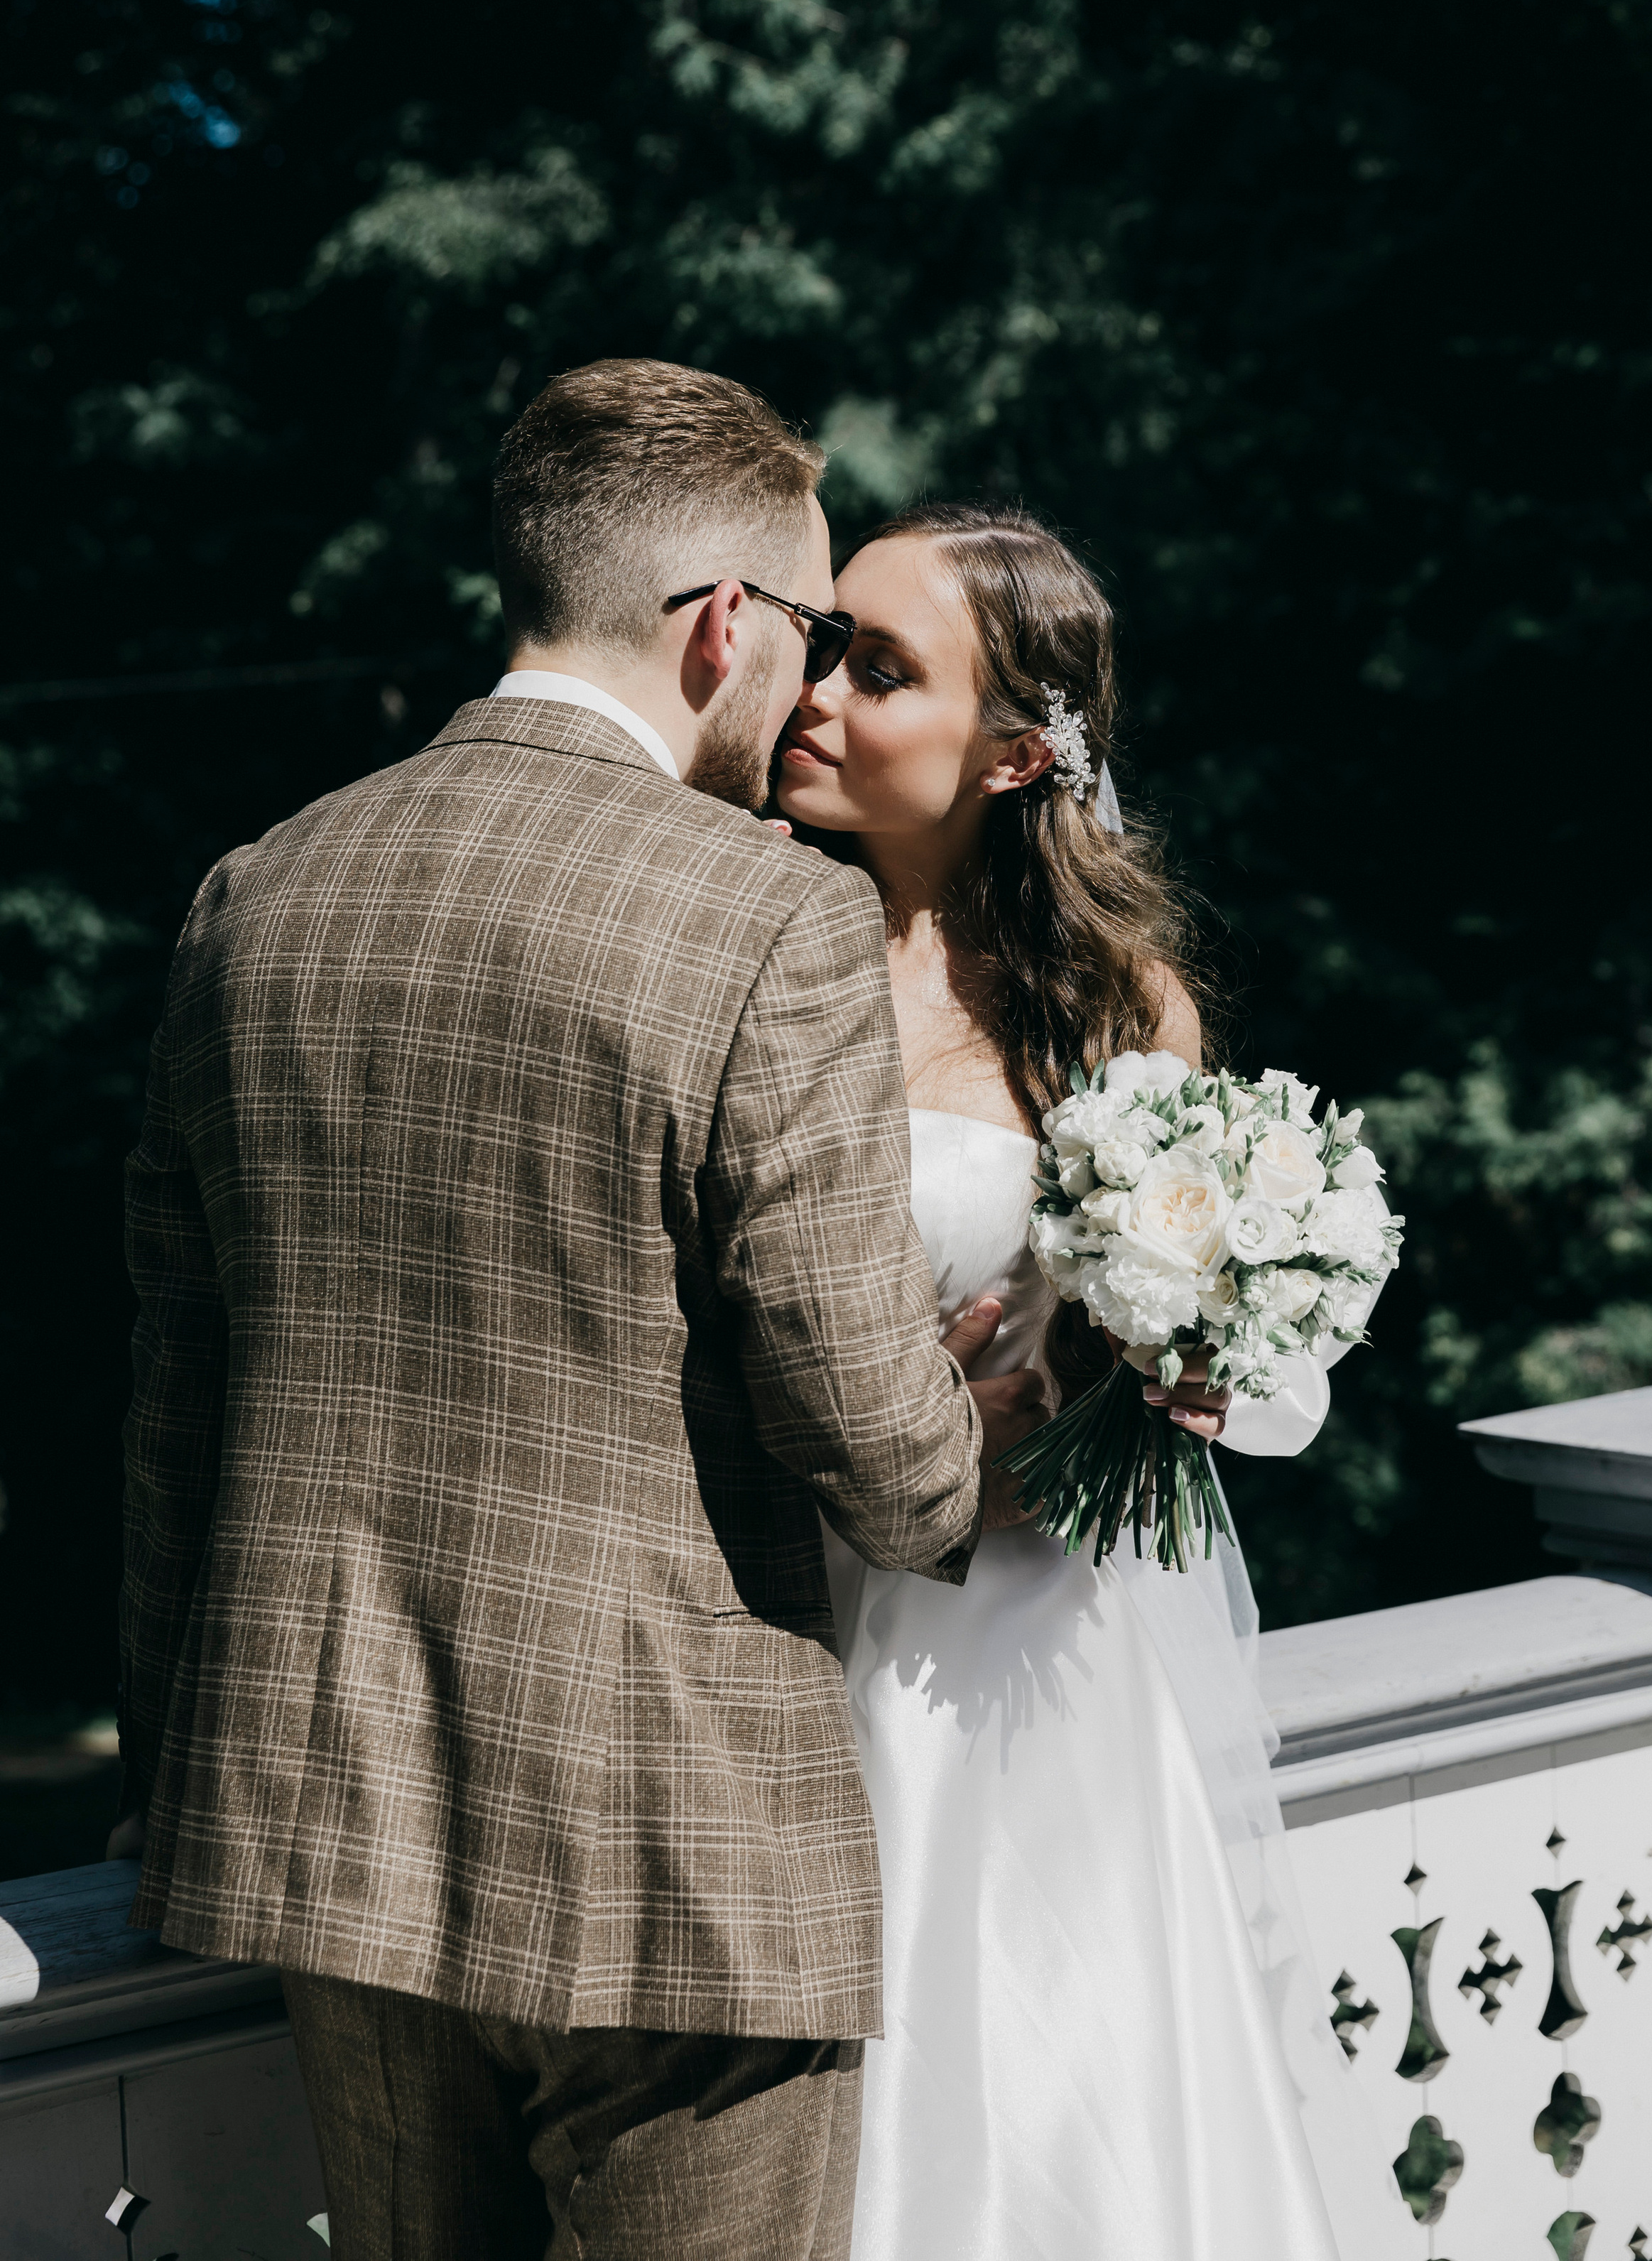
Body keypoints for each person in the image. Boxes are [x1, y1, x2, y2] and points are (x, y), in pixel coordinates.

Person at [114, 364, 1052, 2261]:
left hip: (332, 1837)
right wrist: (995, 1454)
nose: (805, 692)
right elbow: (864, 1430)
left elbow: (173, 1399)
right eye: (807, 640)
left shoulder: (256, 893)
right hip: (674, 1865)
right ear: (725, 628)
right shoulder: (762, 912)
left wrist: (161, 1766)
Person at [775, 503, 1407, 2260]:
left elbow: (1213, 1332)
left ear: (1010, 753)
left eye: (876, 668)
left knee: (1080, 2102)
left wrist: (1176, 1374)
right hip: (797, 1622)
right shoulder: (746, 957)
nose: (813, 690)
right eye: (821, 643)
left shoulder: (1112, 1006)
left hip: (1049, 1641)